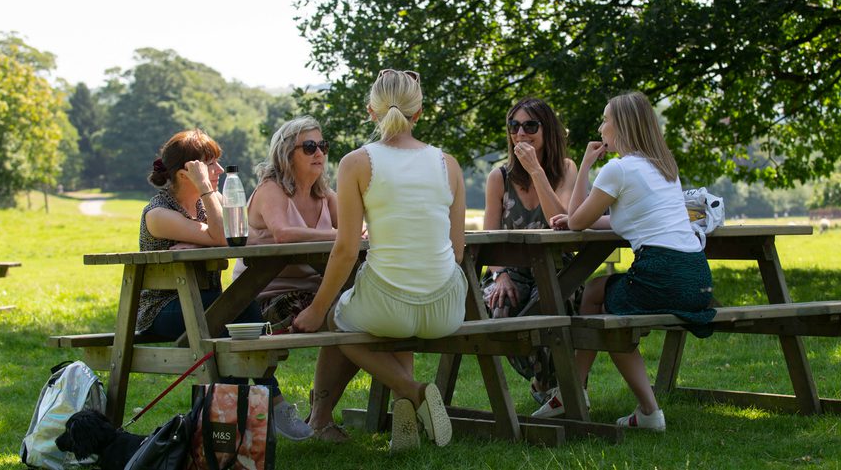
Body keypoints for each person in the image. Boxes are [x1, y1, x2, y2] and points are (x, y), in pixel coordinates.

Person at [292, 69, 467, 452]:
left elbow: (346, 249)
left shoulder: (357, 163)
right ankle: (403, 433)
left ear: (371, 110)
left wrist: (317, 308)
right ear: (419, 112)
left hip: (390, 305)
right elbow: (457, 250)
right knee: (392, 314)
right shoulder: (448, 164)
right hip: (447, 309)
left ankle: (414, 391)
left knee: (336, 320)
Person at [539, 92, 716, 432]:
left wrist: (585, 167)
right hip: (697, 277)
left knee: (610, 317)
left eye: (605, 120)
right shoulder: (664, 167)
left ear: (619, 127)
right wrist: (578, 217)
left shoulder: (617, 169)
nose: (601, 127)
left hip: (662, 272)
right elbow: (622, 221)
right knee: (595, 292)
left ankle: (643, 410)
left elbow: (576, 221)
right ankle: (571, 393)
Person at [136, 128, 314, 441]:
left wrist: (208, 228)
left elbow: (235, 236)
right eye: (210, 166)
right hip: (163, 311)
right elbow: (223, 237)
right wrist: (207, 193)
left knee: (237, 316)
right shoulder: (158, 213)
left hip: (208, 304)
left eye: (218, 164)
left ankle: (244, 421)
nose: (219, 171)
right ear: (185, 172)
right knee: (237, 317)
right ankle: (269, 405)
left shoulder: (209, 205)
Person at [231, 116, 357, 443]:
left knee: (364, 314)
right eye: (310, 147)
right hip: (263, 299)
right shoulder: (270, 190)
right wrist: (337, 234)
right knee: (346, 317)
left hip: (315, 294)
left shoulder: (326, 195)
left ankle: (321, 414)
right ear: (287, 154)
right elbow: (284, 234)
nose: (319, 153)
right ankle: (313, 414)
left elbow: (353, 235)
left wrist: (346, 233)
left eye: (323, 146)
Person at [481, 97, 577, 402]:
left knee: (552, 303)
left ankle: (552, 387)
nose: (521, 133)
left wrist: (537, 171)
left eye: (530, 125)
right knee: (500, 309)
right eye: (514, 126)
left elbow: (559, 221)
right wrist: (500, 276)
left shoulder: (565, 169)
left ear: (546, 130)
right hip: (510, 269)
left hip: (557, 267)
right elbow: (489, 237)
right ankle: (545, 381)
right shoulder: (499, 177)